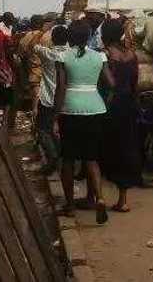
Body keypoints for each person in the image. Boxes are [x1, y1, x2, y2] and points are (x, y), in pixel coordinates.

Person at [54, 21, 110, 224]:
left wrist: (55, 115)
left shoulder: (62, 56)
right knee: (91, 159)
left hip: (70, 110)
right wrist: (103, 99)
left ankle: (69, 205)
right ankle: (100, 198)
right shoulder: (100, 56)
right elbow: (111, 83)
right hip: (95, 108)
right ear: (88, 36)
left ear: (70, 36)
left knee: (68, 160)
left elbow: (61, 87)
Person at [100, 19, 143, 212]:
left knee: (109, 150)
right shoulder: (131, 55)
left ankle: (96, 196)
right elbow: (135, 83)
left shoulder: (106, 55)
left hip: (111, 106)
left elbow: (106, 84)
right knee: (127, 148)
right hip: (129, 105)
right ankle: (123, 199)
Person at [34, 25, 69, 175]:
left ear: (53, 39)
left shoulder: (47, 53)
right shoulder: (71, 55)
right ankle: (61, 158)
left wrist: (41, 30)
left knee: (43, 130)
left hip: (48, 98)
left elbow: (32, 45)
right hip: (67, 100)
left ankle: (53, 157)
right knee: (61, 130)